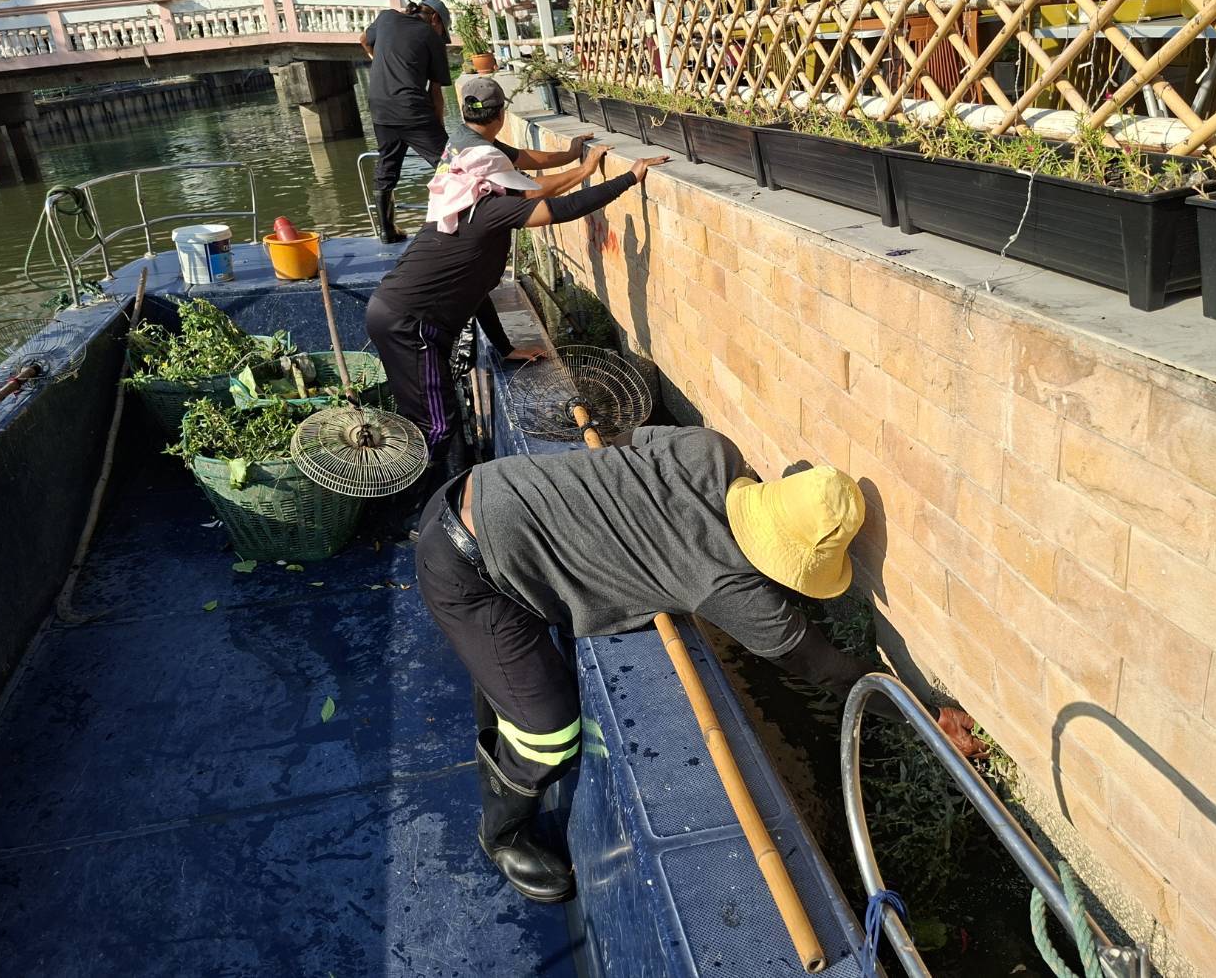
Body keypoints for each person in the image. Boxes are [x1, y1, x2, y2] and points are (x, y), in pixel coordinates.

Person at [415, 425, 987, 903]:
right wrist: (926, 715)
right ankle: (501, 832)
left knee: (514, 676)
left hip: (484, 487)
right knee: (551, 732)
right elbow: (827, 669)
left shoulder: (714, 450)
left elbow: (633, 439)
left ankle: (502, 691)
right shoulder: (729, 585)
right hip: (468, 569)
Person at [365, 143, 670, 526]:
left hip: (394, 316)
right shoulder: (489, 210)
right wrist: (629, 178)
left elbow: (475, 292)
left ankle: (418, 501)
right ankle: (423, 514)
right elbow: (563, 208)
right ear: (495, 185)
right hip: (412, 327)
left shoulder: (459, 213)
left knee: (427, 418)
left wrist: (505, 347)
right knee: (439, 426)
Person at [360, 0, 453, 243]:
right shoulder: (431, 36)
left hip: (380, 108)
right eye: (443, 30)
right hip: (412, 109)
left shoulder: (386, 18)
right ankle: (458, 225)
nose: (441, 35)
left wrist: (379, 61)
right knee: (451, 164)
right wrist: (440, 132)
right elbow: (435, 92)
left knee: (387, 166)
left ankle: (387, 231)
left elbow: (363, 40)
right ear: (435, 19)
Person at [447, 77, 597, 198]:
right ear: (500, 114)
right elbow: (530, 191)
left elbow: (524, 157)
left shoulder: (464, 136)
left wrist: (571, 154)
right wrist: (585, 170)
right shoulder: (482, 153)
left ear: (464, 110)